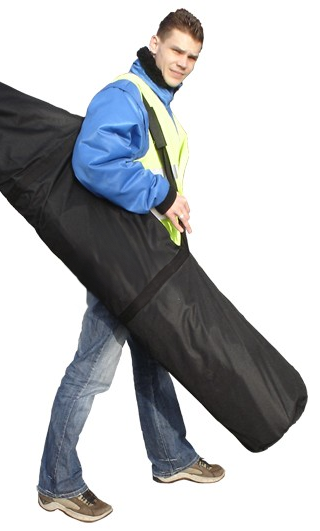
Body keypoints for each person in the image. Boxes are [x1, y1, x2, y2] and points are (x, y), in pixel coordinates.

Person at [37, 8, 225, 522]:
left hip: (146, 256)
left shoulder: (156, 102)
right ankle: (57, 482)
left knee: (155, 353)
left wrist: (169, 212)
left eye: (193, 57)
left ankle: (171, 457)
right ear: (154, 43)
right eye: (176, 50)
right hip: (122, 261)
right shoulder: (126, 95)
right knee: (91, 370)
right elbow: (93, 161)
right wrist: (162, 194)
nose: (183, 63)